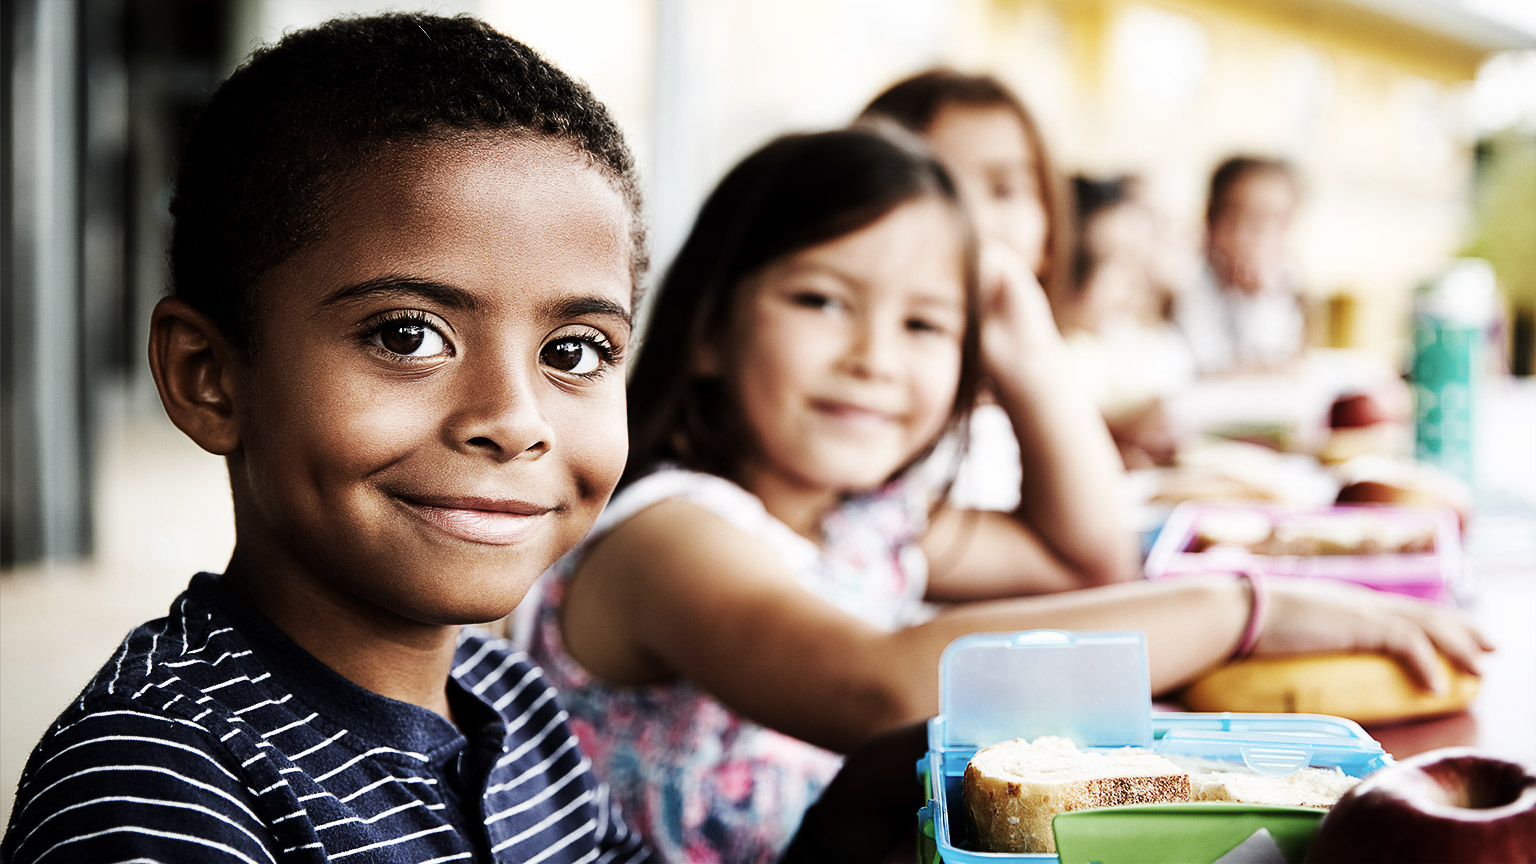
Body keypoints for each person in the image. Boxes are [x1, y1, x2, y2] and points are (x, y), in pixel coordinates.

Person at [0, 14, 920, 864]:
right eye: (407, 335)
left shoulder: (508, 701)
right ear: (208, 375)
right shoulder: (154, 792)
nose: (515, 419)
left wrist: (851, 822)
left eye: (574, 351)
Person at [526, 123, 1492, 861]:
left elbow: (1089, 557)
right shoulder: (669, 533)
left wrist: (1026, 348)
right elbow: (887, 688)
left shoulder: (868, 523)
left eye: (925, 325)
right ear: (704, 329)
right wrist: (1250, 607)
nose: (873, 358)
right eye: (821, 301)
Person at [859, 69, 1130, 531]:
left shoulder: (1013, 398)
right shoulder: (869, 392)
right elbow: (1098, 560)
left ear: (1049, 234)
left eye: (1006, 190)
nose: (975, 220)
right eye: (935, 182)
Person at [1057, 173, 1196, 467]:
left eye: (1133, 262)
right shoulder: (1057, 355)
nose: (1132, 282)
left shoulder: (1113, 340)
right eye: (1112, 261)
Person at [1175, 155, 1307, 375]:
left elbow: (1286, 360)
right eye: (1254, 221)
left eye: (1279, 223)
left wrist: (1261, 299)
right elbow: (1208, 366)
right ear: (1212, 221)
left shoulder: (1286, 282)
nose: (1263, 236)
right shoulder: (1188, 280)